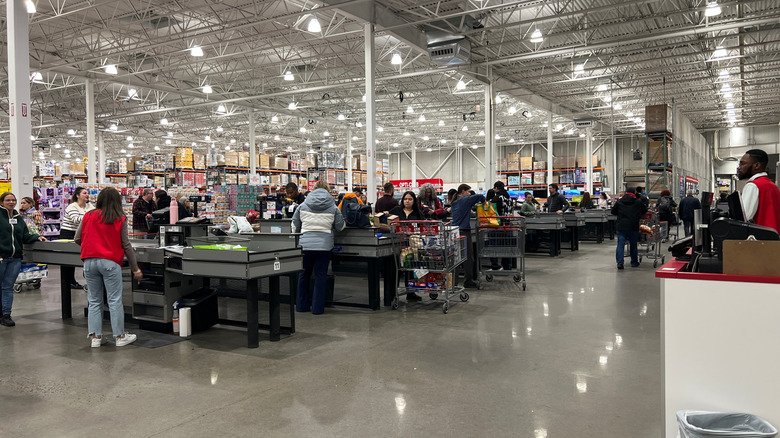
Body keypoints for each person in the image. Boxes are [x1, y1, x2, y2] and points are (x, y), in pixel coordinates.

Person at [75, 188, 142, 347]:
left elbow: (77, 238)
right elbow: (126, 244)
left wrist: (91, 246)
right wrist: (135, 268)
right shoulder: (119, 218)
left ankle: (96, 338)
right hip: (110, 262)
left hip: (89, 262)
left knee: (94, 300)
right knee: (114, 300)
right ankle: (120, 336)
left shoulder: (88, 215)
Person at [292, 181, 345, 315]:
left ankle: (301, 306)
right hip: (324, 246)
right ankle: (317, 309)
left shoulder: (302, 205)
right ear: (327, 191)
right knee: (320, 276)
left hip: (305, 245)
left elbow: (294, 226)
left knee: (303, 275)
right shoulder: (333, 207)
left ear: (313, 190)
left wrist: (300, 237)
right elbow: (340, 227)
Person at [1, 192, 48, 327]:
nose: (11, 202)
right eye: (8, 200)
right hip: (1, 257)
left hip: (15, 258)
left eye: (13, 200)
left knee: (8, 287)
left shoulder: (18, 217)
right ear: (2, 202)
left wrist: (36, 237)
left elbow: (25, 236)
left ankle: (6, 315)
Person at [450, 184, 485, 289]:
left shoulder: (455, 202)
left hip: (454, 231)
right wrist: (485, 203)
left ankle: (453, 282)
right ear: (463, 191)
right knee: (468, 258)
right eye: (469, 191)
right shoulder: (464, 200)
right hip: (464, 231)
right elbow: (480, 196)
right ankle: (468, 281)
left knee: (455, 257)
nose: (469, 194)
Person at [737, 149, 780, 233]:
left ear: (756, 165)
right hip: (775, 239)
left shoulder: (753, 185)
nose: (739, 167)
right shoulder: (773, 186)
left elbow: (743, 219)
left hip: (760, 241)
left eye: (742, 163)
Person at [61, 187, 94, 289]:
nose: (87, 195)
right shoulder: (72, 206)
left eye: (88, 193)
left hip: (83, 234)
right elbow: (76, 220)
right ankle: (68, 281)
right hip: (68, 234)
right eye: (84, 193)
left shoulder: (90, 206)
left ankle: (74, 281)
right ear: (77, 195)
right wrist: (89, 217)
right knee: (68, 260)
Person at [611, 187, 647, 270]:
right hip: (633, 226)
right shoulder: (638, 202)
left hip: (621, 226)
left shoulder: (619, 201)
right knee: (633, 245)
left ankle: (620, 263)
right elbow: (644, 210)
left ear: (625, 192)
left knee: (620, 244)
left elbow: (613, 211)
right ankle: (634, 262)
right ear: (634, 193)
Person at [486, 181, 513, 271]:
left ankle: (495, 266)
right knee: (506, 246)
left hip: (496, 226)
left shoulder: (496, 198)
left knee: (493, 246)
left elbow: (491, 212)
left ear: (496, 188)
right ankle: (507, 266)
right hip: (507, 225)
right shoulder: (509, 198)